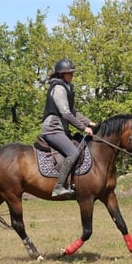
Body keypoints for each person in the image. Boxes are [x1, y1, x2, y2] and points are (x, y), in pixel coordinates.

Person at [40, 58, 96, 197]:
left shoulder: (67, 87)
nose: (72, 75)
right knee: (73, 153)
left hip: (61, 129)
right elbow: (66, 113)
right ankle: (58, 187)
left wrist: (89, 122)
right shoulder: (59, 88)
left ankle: (72, 184)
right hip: (52, 129)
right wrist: (83, 128)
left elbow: (73, 112)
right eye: (68, 73)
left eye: (72, 73)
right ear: (61, 74)